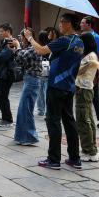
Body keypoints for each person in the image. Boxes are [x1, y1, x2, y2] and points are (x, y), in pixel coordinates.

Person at [24, 13, 84, 170]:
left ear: (69, 24)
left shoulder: (64, 40)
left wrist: (30, 37)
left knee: (53, 121)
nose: (60, 25)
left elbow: (40, 51)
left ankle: (54, 159)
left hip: (56, 85)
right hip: (69, 86)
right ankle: (74, 158)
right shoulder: (79, 41)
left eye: (62, 23)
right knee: (69, 121)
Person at [13, 31, 44, 145]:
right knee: (23, 109)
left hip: (32, 79)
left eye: (22, 37)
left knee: (25, 109)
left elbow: (21, 57)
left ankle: (29, 137)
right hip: (29, 79)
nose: (21, 39)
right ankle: (23, 136)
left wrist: (17, 47)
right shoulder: (29, 48)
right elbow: (19, 59)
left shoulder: (34, 48)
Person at [76, 33, 99, 162]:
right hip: (86, 89)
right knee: (88, 120)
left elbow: (78, 71)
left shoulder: (90, 57)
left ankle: (88, 150)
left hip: (83, 89)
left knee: (82, 120)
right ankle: (92, 149)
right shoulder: (92, 55)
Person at [80, 16, 99, 130]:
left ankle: (97, 120)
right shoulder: (86, 36)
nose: (80, 24)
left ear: (89, 25)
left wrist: (97, 68)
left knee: (91, 95)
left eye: (83, 23)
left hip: (89, 69)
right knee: (92, 95)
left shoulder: (94, 37)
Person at [35, 31, 51, 117]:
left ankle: (41, 110)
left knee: (40, 90)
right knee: (46, 90)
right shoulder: (50, 45)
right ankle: (47, 111)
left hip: (42, 66)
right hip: (47, 65)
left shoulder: (39, 46)